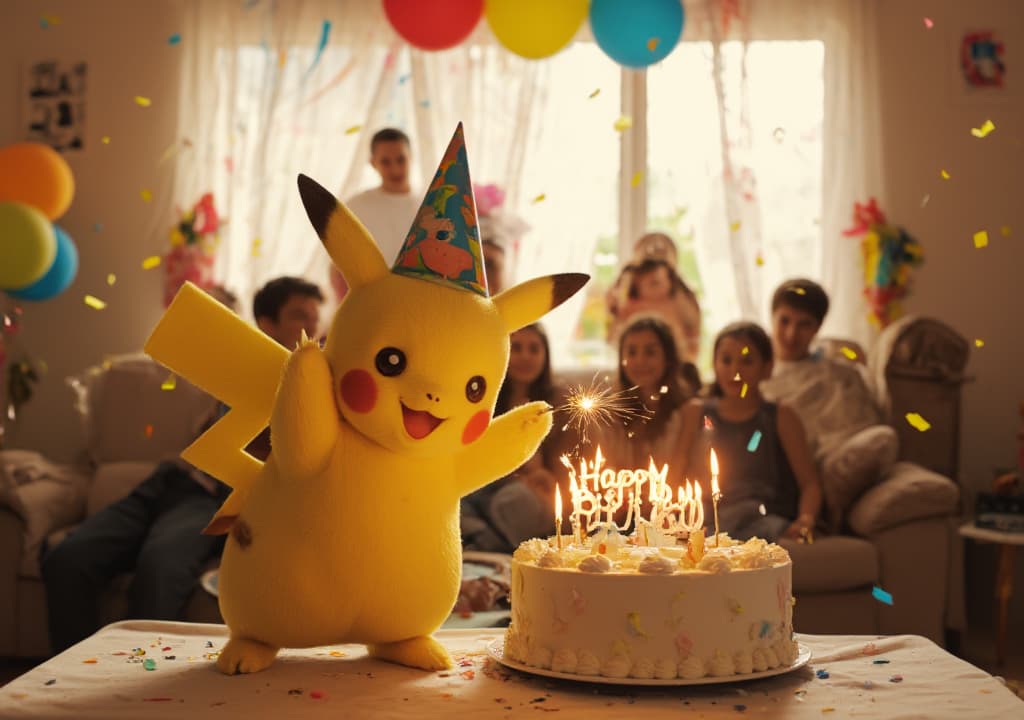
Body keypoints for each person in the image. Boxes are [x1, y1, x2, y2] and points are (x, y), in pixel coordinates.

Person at [40, 277, 324, 653]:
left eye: (316, 318)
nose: (313, 328)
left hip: (210, 499)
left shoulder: (315, 388)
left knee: (159, 568)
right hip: (167, 481)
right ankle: (73, 680)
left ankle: (138, 691)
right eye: (300, 316)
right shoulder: (230, 366)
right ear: (266, 324)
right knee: (66, 558)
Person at [676, 322, 822, 542]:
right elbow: (676, 471)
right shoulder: (695, 412)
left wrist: (805, 521)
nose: (735, 371)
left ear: (767, 367)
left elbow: (809, 483)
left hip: (762, 519)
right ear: (714, 365)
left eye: (747, 361)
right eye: (726, 360)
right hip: (705, 517)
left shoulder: (781, 415)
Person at [759, 279, 898, 498]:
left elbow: (863, 429)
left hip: (836, 462)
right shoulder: (752, 375)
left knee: (883, 438)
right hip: (781, 470)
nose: (791, 334)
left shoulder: (840, 375)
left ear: (818, 327)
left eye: (804, 324)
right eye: (784, 321)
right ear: (772, 318)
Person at [461, 323, 570, 552]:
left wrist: (543, 477)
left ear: (545, 355)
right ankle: (485, 538)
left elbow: (560, 470)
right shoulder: (486, 400)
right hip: (489, 487)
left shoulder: (559, 402)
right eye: (516, 348)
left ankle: (487, 541)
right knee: (458, 502)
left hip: (533, 496)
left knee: (514, 500)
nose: (525, 357)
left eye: (533, 349)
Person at [593, 315, 696, 482]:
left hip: (670, 502)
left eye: (650, 352)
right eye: (632, 352)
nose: (640, 361)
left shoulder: (688, 411)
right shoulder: (610, 413)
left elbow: (678, 469)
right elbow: (606, 470)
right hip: (621, 503)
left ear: (668, 358)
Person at [331, 128, 421, 302]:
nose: (395, 169)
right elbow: (338, 265)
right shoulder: (355, 207)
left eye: (401, 159)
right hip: (371, 303)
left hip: (419, 302)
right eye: (386, 162)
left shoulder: (430, 204)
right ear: (373, 163)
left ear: (411, 157)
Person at [607, 257, 702, 364]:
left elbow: (692, 348)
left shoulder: (681, 304)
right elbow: (612, 342)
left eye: (655, 282)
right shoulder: (629, 309)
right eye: (641, 285)